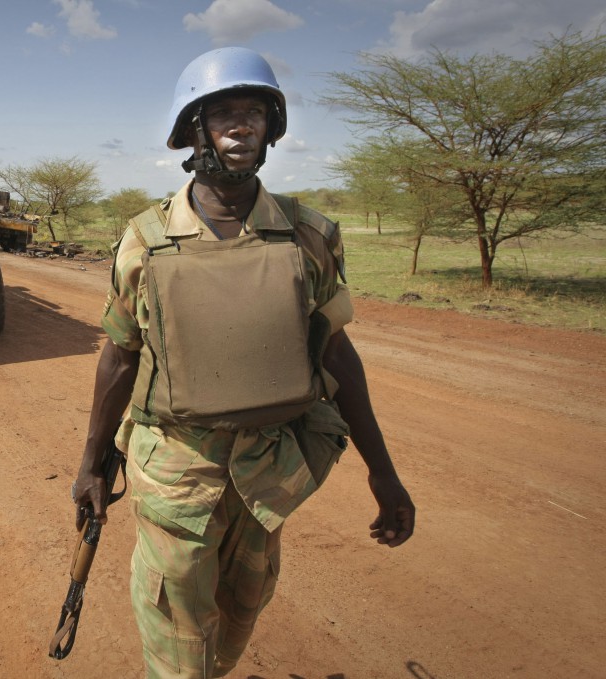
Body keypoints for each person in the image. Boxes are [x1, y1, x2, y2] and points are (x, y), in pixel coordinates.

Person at [70, 47, 415, 679]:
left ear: (271, 128)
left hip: (269, 473)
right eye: (223, 112)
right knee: (179, 644)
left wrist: (383, 474)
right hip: (176, 471)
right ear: (192, 131)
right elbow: (119, 354)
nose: (241, 124)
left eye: (254, 112)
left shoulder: (309, 235)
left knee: (237, 623)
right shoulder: (145, 241)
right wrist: (92, 464)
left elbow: (337, 353)